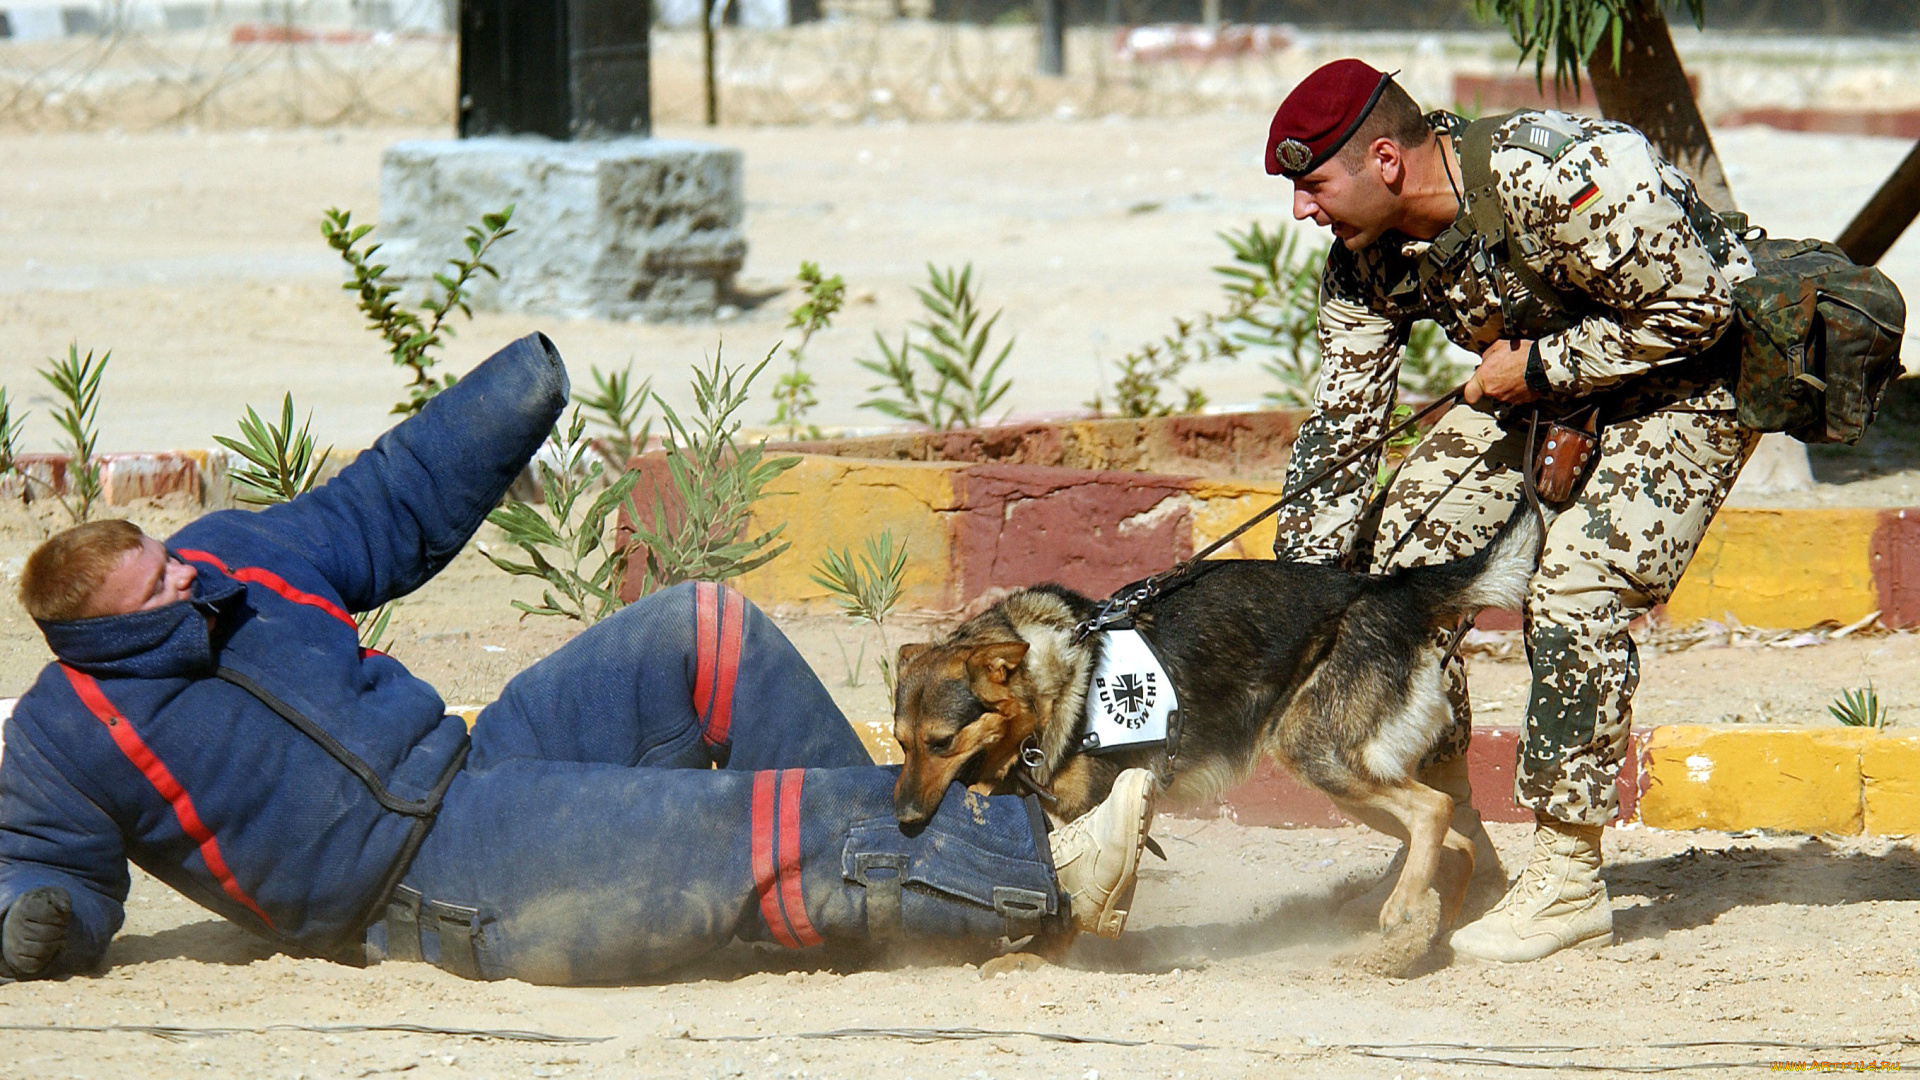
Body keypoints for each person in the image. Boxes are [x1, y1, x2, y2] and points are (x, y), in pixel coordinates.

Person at [0, 333, 1158, 985]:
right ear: (107, 631)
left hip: (474, 764)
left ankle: (906, 899)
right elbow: (36, 863)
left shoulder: (227, 556)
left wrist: (509, 395)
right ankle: (1032, 878)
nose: (192, 578)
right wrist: (34, 919)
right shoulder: (63, 736)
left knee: (698, 630)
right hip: (417, 883)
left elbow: (383, 505)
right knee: (724, 833)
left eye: (174, 560)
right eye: (163, 587)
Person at [1263, 60, 1757, 962]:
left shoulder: (1574, 173)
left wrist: (1536, 369)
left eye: (1312, 184)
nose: (1302, 209)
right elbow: (1342, 430)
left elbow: (1699, 308)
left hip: (1691, 381)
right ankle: (1457, 854)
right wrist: (1297, 593)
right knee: (1391, 583)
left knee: (1572, 587)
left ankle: (1568, 878)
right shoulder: (1364, 262)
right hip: (1544, 391)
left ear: (1384, 160)